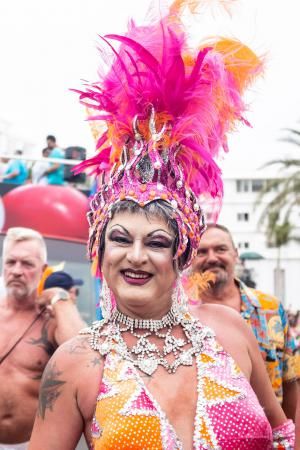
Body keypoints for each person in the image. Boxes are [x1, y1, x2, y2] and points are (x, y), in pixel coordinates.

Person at [29, 3, 295, 448]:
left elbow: (282, 431)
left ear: (180, 253)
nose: (135, 256)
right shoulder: (76, 362)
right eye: (119, 239)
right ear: (99, 249)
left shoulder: (228, 327)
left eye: (155, 241)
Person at [191, 223, 300, 421]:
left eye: (221, 249)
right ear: (190, 258)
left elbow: (290, 380)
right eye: (202, 251)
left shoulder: (271, 309)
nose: (212, 257)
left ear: (235, 254)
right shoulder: (180, 314)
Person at [0, 227, 86, 449]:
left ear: (42, 270)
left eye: (27, 264)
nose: (17, 271)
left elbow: (84, 354)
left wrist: (60, 298)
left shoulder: (51, 320)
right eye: (11, 262)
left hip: (31, 442)